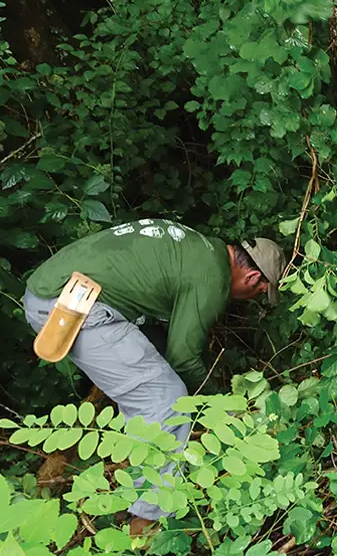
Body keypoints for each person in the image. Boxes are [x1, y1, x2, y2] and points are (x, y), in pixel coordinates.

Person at [23, 218, 285, 534]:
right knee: (165, 399)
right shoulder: (212, 278)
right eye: (259, 293)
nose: (252, 298)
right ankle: (147, 521)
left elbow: (169, 347)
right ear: (254, 277)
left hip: (55, 287)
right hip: (69, 307)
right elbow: (184, 358)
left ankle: (136, 480)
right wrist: (223, 408)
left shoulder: (201, 248)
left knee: (157, 377)